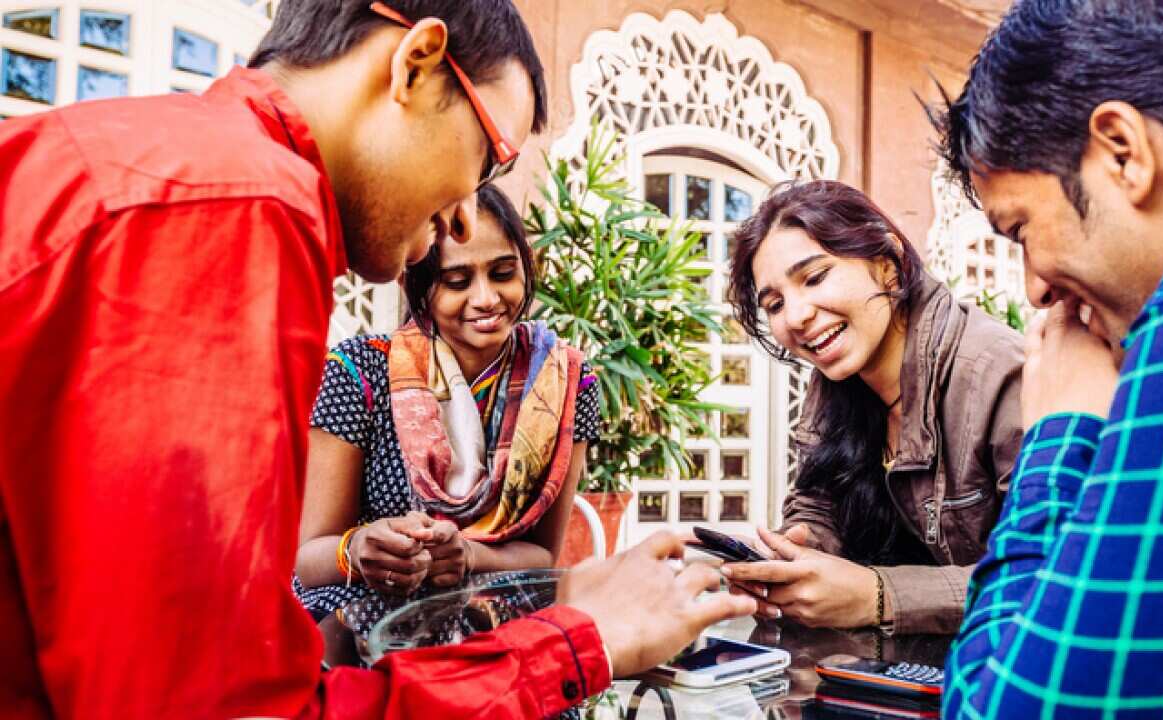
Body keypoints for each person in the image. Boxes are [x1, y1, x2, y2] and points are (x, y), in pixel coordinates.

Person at [0, 1, 754, 717]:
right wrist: (575, 639)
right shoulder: (235, 203)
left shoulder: (134, 155)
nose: (466, 214)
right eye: (489, 157)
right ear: (415, 64)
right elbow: (218, 705)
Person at [930, 0, 1163, 716]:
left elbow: (1012, 708)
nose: (1033, 289)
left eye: (1020, 227)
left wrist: (1059, 435)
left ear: (1122, 149)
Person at [718, 180, 1024, 634]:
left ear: (888, 266)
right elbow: (818, 504)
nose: (796, 316)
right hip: (902, 676)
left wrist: (880, 596)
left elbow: (1047, 578)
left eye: (815, 277)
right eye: (775, 303)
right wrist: (796, 555)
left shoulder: (998, 373)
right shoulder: (836, 384)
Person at [295, 184, 599, 621]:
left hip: (497, 621)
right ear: (417, 286)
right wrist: (359, 548)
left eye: (502, 273)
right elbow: (310, 559)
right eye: (456, 281)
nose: (486, 299)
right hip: (362, 622)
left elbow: (543, 556)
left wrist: (469, 557)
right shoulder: (358, 372)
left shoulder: (567, 382)